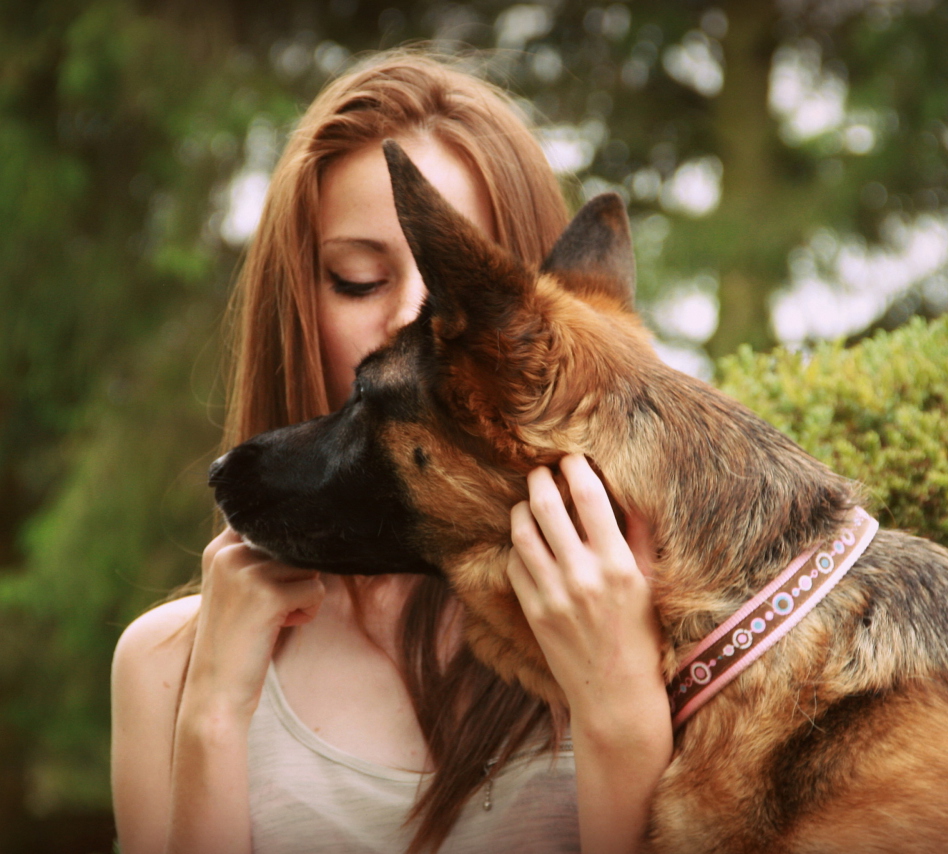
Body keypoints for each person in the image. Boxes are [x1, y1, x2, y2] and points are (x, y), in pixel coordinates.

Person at [111, 50, 673, 854]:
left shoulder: (649, 614)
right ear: (296, 308)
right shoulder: (166, 660)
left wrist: (620, 704)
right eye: (358, 279)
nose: (416, 316)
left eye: (459, 285)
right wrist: (212, 714)